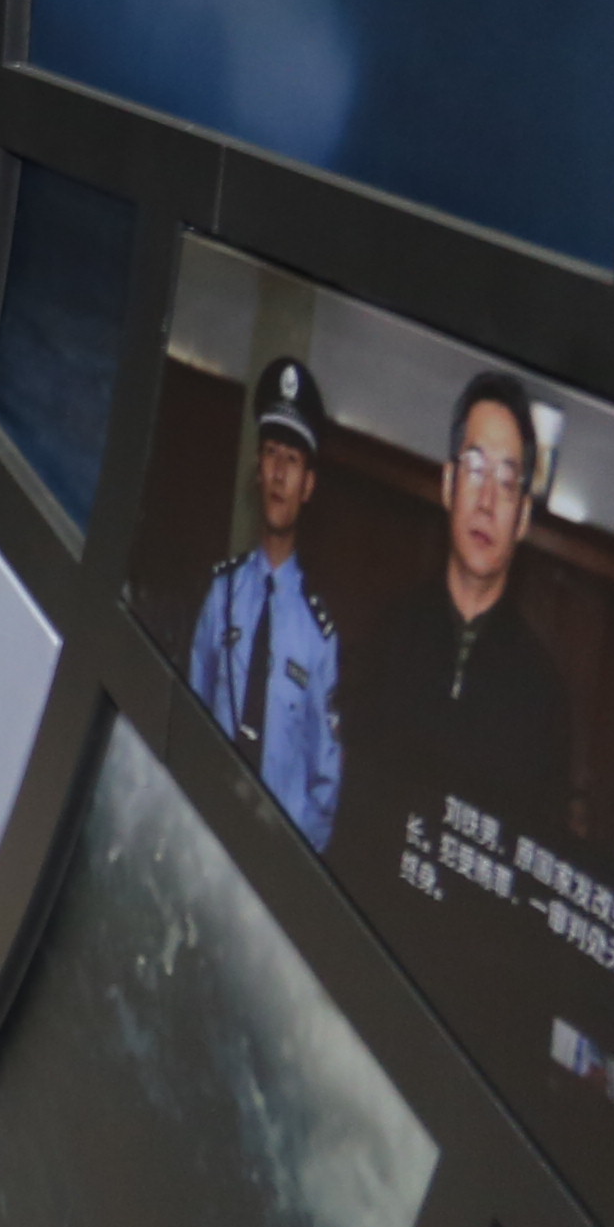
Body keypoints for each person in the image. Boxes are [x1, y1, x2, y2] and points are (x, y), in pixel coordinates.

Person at [342, 370, 580, 878]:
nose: (487, 500)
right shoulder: (388, 635)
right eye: (474, 469)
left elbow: (535, 872)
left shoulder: (543, 695)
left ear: (523, 518)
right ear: (449, 485)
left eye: (507, 483)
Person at [186, 353, 344, 853]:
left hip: (272, 853)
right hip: (205, 836)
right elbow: (191, 716)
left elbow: (326, 783)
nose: (278, 473)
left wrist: (287, 859)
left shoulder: (319, 637)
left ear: (308, 486)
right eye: (271, 453)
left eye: (292, 461)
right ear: (258, 468)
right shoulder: (222, 594)